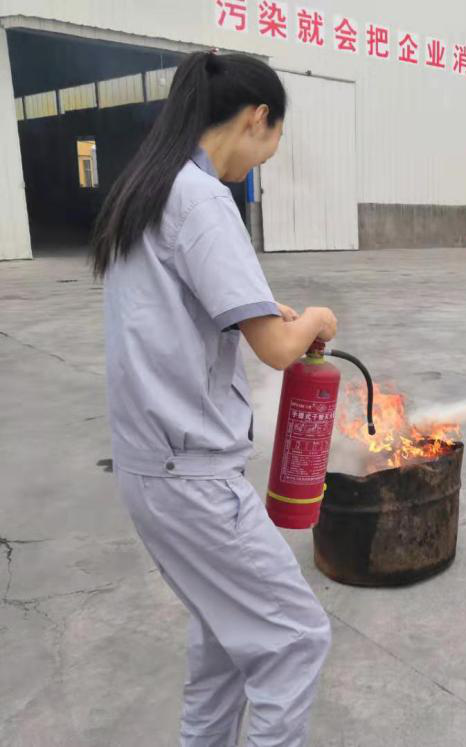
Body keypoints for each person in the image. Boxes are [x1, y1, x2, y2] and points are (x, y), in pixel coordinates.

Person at [92, 52, 336, 746]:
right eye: (271, 142)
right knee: (295, 638)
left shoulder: (149, 186)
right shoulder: (202, 197)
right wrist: (317, 318)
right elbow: (279, 350)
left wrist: (258, 310)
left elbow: (180, 303)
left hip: (150, 466)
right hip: (192, 477)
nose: (261, 160)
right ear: (257, 118)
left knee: (224, 643)